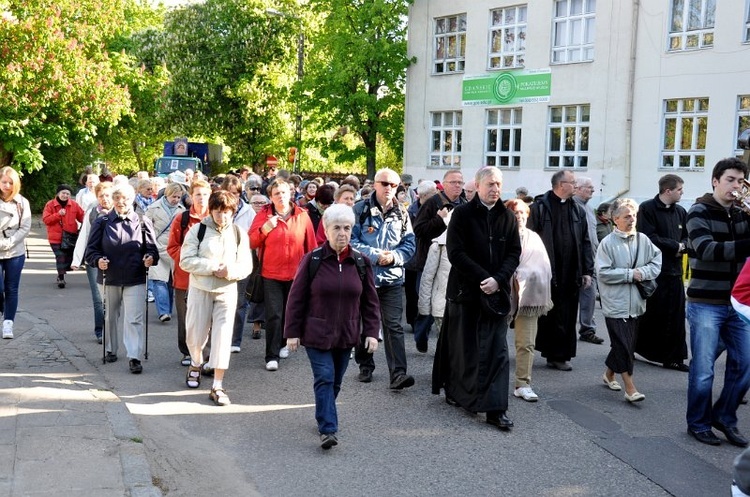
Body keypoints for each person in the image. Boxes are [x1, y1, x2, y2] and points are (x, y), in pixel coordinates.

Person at [284, 204, 380, 449]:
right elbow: (296, 298)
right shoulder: (313, 260)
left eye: (347, 228)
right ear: (326, 230)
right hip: (316, 333)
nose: (342, 233)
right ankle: (328, 429)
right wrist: (292, 332)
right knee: (325, 378)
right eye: (336, 228)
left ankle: (323, 412)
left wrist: (371, 332)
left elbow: (370, 302)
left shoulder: (361, 262)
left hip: (346, 334)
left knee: (335, 381)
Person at [432, 166, 521, 429]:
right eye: (490, 184)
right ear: (478, 186)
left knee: (498, 352)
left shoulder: (507, 217)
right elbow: (456, 252)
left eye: (499, 184)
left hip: (496, 296)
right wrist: (484, 277)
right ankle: (459, 393)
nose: (495, 189)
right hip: (466, 293)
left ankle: (496, 409)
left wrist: (498, 279)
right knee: (465, 349)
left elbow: (514, 253)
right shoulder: (462, 214)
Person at [686, 158, 750, 447]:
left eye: (740, 181)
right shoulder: (697, 210)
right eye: (730, 180)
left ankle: (724, 416)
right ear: (715, 181)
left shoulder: (741, 214)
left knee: (746, 362)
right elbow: (706, 249)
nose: (736, 187)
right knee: (703, 370)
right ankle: (698, 424)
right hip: (705, 302)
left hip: (738, 303)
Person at [180, 191, 251, 406]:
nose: (222, 217)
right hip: (200, 288)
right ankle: (196, 362)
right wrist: (212, 268)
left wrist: (229, 271)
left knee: (222, 336)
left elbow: (246, 266)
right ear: (211, 211)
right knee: (195, 333)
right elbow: (185, 260)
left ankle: (217, 385)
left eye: (227, 212)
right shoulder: (198, 230)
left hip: (226, 290)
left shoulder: (239, 233)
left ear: (233, 211)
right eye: (218, 212)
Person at [351, 168, 416, 388]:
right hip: (364, 276)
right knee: (363, 325)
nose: (389, 188)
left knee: (394, 326)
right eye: (385, 184)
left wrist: (395, 257)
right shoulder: (359, 209)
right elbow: (351, 241)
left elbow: (409, 244)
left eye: (394, 185)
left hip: (392, 279)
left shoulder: (402, 213)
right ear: (375, 185)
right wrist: (376, 257)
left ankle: (398, 373)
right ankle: (365, 365)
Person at [85, 183, 158, 374]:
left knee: (134, 318)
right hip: (109, 277)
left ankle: (134, 356)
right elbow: (90, 251)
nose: (120, 202)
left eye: (124, 198)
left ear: (132, 199)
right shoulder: (101, 222)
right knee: (110, 316)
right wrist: (98, 260)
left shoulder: (142, 221)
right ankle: (110, 349)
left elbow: (152, 250)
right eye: (117, 198)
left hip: (135, 277)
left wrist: (150, 258)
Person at [596, 198, 662, 403]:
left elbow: (656, 262)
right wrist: (629, 275)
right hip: (615, 304)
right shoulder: (607, 243)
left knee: (624, 344)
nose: (632, 219)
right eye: (627, 216)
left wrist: (641, 273)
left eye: (634, 215)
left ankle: (608, 374)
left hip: (637, 304)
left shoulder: (643, 240)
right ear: (615, 219)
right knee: (624, 346)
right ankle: (630, 388)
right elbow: (604, 273)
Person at [528, 170, 594, 371]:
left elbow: (585, 241)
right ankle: (547, 352)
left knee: (566, 314)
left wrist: (587, 271)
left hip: (571, 271)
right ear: (560, 185)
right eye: (572, 182)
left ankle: (560, 355)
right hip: (547, 270)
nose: (575, 186)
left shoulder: (577, 209)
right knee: (549, 314)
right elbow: (529, 238)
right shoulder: (539, 208)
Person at [249, 178, 316, 371]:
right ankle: (272, 355)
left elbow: (311, 247)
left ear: (291, 194)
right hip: (271, 273)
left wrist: (312, 273)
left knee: (290, 312)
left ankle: (284, 343)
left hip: (296, 274)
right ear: (271, 197)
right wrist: (265, 229)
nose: (281, 196)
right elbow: (251, 241)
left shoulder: (302, 215)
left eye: (284, 192)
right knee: (274, 314)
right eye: (277, 193)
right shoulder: (264, 214)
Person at [635, 174, 689, 372]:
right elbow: (649, 237)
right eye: (679, 190)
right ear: (668, 191)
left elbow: (688, 237)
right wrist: (675, 246)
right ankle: (636, 347)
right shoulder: (647, 209)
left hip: (675, 272)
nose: (682, 193)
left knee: (675, 316)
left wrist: (683, 246)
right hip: (654, 270)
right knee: (650, 313)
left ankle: (673, 357)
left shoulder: (681, 212)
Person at [413, 169, 467, 352]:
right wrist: (438, 219)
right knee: (426, 302)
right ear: (444, 184)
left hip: (453, 264)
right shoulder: (432, 203)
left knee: (444, 305)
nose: (457, 186)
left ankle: (444, 344)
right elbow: (418, 230)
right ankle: (420, 336)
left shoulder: (464, 205)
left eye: (460, 182)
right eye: (453, 182)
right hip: (428, 261)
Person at [505, 198, 553, 402]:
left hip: (529, 296)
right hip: (501, 293)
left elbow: (543, 268)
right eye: (515, 214)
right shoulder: (500, 235)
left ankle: (523, 383)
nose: (520, 217)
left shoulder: (533, 238)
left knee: (526, 343)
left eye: (523, 214)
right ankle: (488, 380)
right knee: (493, 342)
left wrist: (523, 274)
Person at [167, 179, 212, 367]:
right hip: (184, 278)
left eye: (205, 194)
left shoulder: (217, 217)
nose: (201, 198)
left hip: (210, 277)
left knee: (208, 317)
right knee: (186, 317)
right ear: (191, 197)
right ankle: (186, 352)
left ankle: (207, 354)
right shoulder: (182, 218)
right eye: (198, 195)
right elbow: (172, 247)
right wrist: (189, 261)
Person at [71, 181, 114, 343]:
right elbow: (84, 236)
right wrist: (77, 260)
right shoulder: (92, 213)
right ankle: (100, 331)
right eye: (101, 196)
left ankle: (112, 329)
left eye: (108, 195)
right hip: (94, 260)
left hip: (114, 261)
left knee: (112, 298)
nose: (105, 199)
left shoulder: (119, 213)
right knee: (98, 298)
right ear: (97, 197)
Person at [220, 175, 255, 353]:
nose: (234, 196)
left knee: (240, 302)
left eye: (237, 193)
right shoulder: (218, 209)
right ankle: (220, 336)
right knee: (220, 302)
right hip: (220, 261)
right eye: (230, 193)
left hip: (241, 260)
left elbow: (253, 236)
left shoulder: (249, 211)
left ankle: (235, 340)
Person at [145, 183, 186, 322]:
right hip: (157, 247)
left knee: (171, 281)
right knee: (159, 280)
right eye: (173, 196)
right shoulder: (153, 208)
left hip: (174, 249)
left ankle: (167, 308)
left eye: (178, 197)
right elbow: (145, 228)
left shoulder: (182, 210)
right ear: (167, 195)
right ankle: (164, 311)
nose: (176, 199)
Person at [573, 177, 605, 345]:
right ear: (577, 188)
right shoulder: (572, 207)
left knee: (589, 297)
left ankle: (587, 329)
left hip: (590, 261)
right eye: (589, 187)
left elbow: (592, 236)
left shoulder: (590, 209)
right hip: (576, 262)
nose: (593, 190)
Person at [0, 167, 31, 339]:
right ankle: (3, 310)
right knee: (0, 288)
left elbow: (25, 227)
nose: (6, 185)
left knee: (11, 288)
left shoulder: (21, 202)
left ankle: (8, 323)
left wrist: (10, 242)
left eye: (10, 182)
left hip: (15, 250)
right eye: (4, 181)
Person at [405, 181, 438, 329]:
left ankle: (423, 322)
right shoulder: (411, 211)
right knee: (413, 292)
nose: (436, 196)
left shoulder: (436, 208)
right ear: (423, 196)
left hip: (426, 256)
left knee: (424, 291)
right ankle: (413, 320)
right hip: (413, 256)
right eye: (433, 194)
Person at [42, 184, 85, 289]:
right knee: (60, 256)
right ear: (58, 193)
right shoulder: (50, 205)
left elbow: (82, 217)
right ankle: (61, 278)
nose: (65, 195)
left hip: (70, 237)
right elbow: (46, 220)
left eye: (68, 194)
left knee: (67, 257)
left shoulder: (74, 205)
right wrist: (58, 214)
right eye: (63, 193)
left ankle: (60, 274)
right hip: (55, 238)